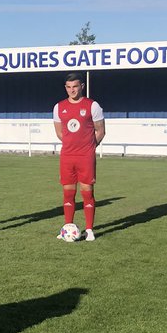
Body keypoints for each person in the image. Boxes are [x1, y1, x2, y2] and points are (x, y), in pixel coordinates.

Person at [53, 73, 105, 241]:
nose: (72, 90)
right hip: (67, 156)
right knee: (68, 193)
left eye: (75, 86)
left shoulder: (92, 105)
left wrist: (89, 148)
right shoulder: (59, 107)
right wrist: (72, 145)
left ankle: (89, 229)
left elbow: (101, 130)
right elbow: (60, 132)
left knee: (87, 193)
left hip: (85, 157)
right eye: (68, 87)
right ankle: (68, 226)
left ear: (82, 86)